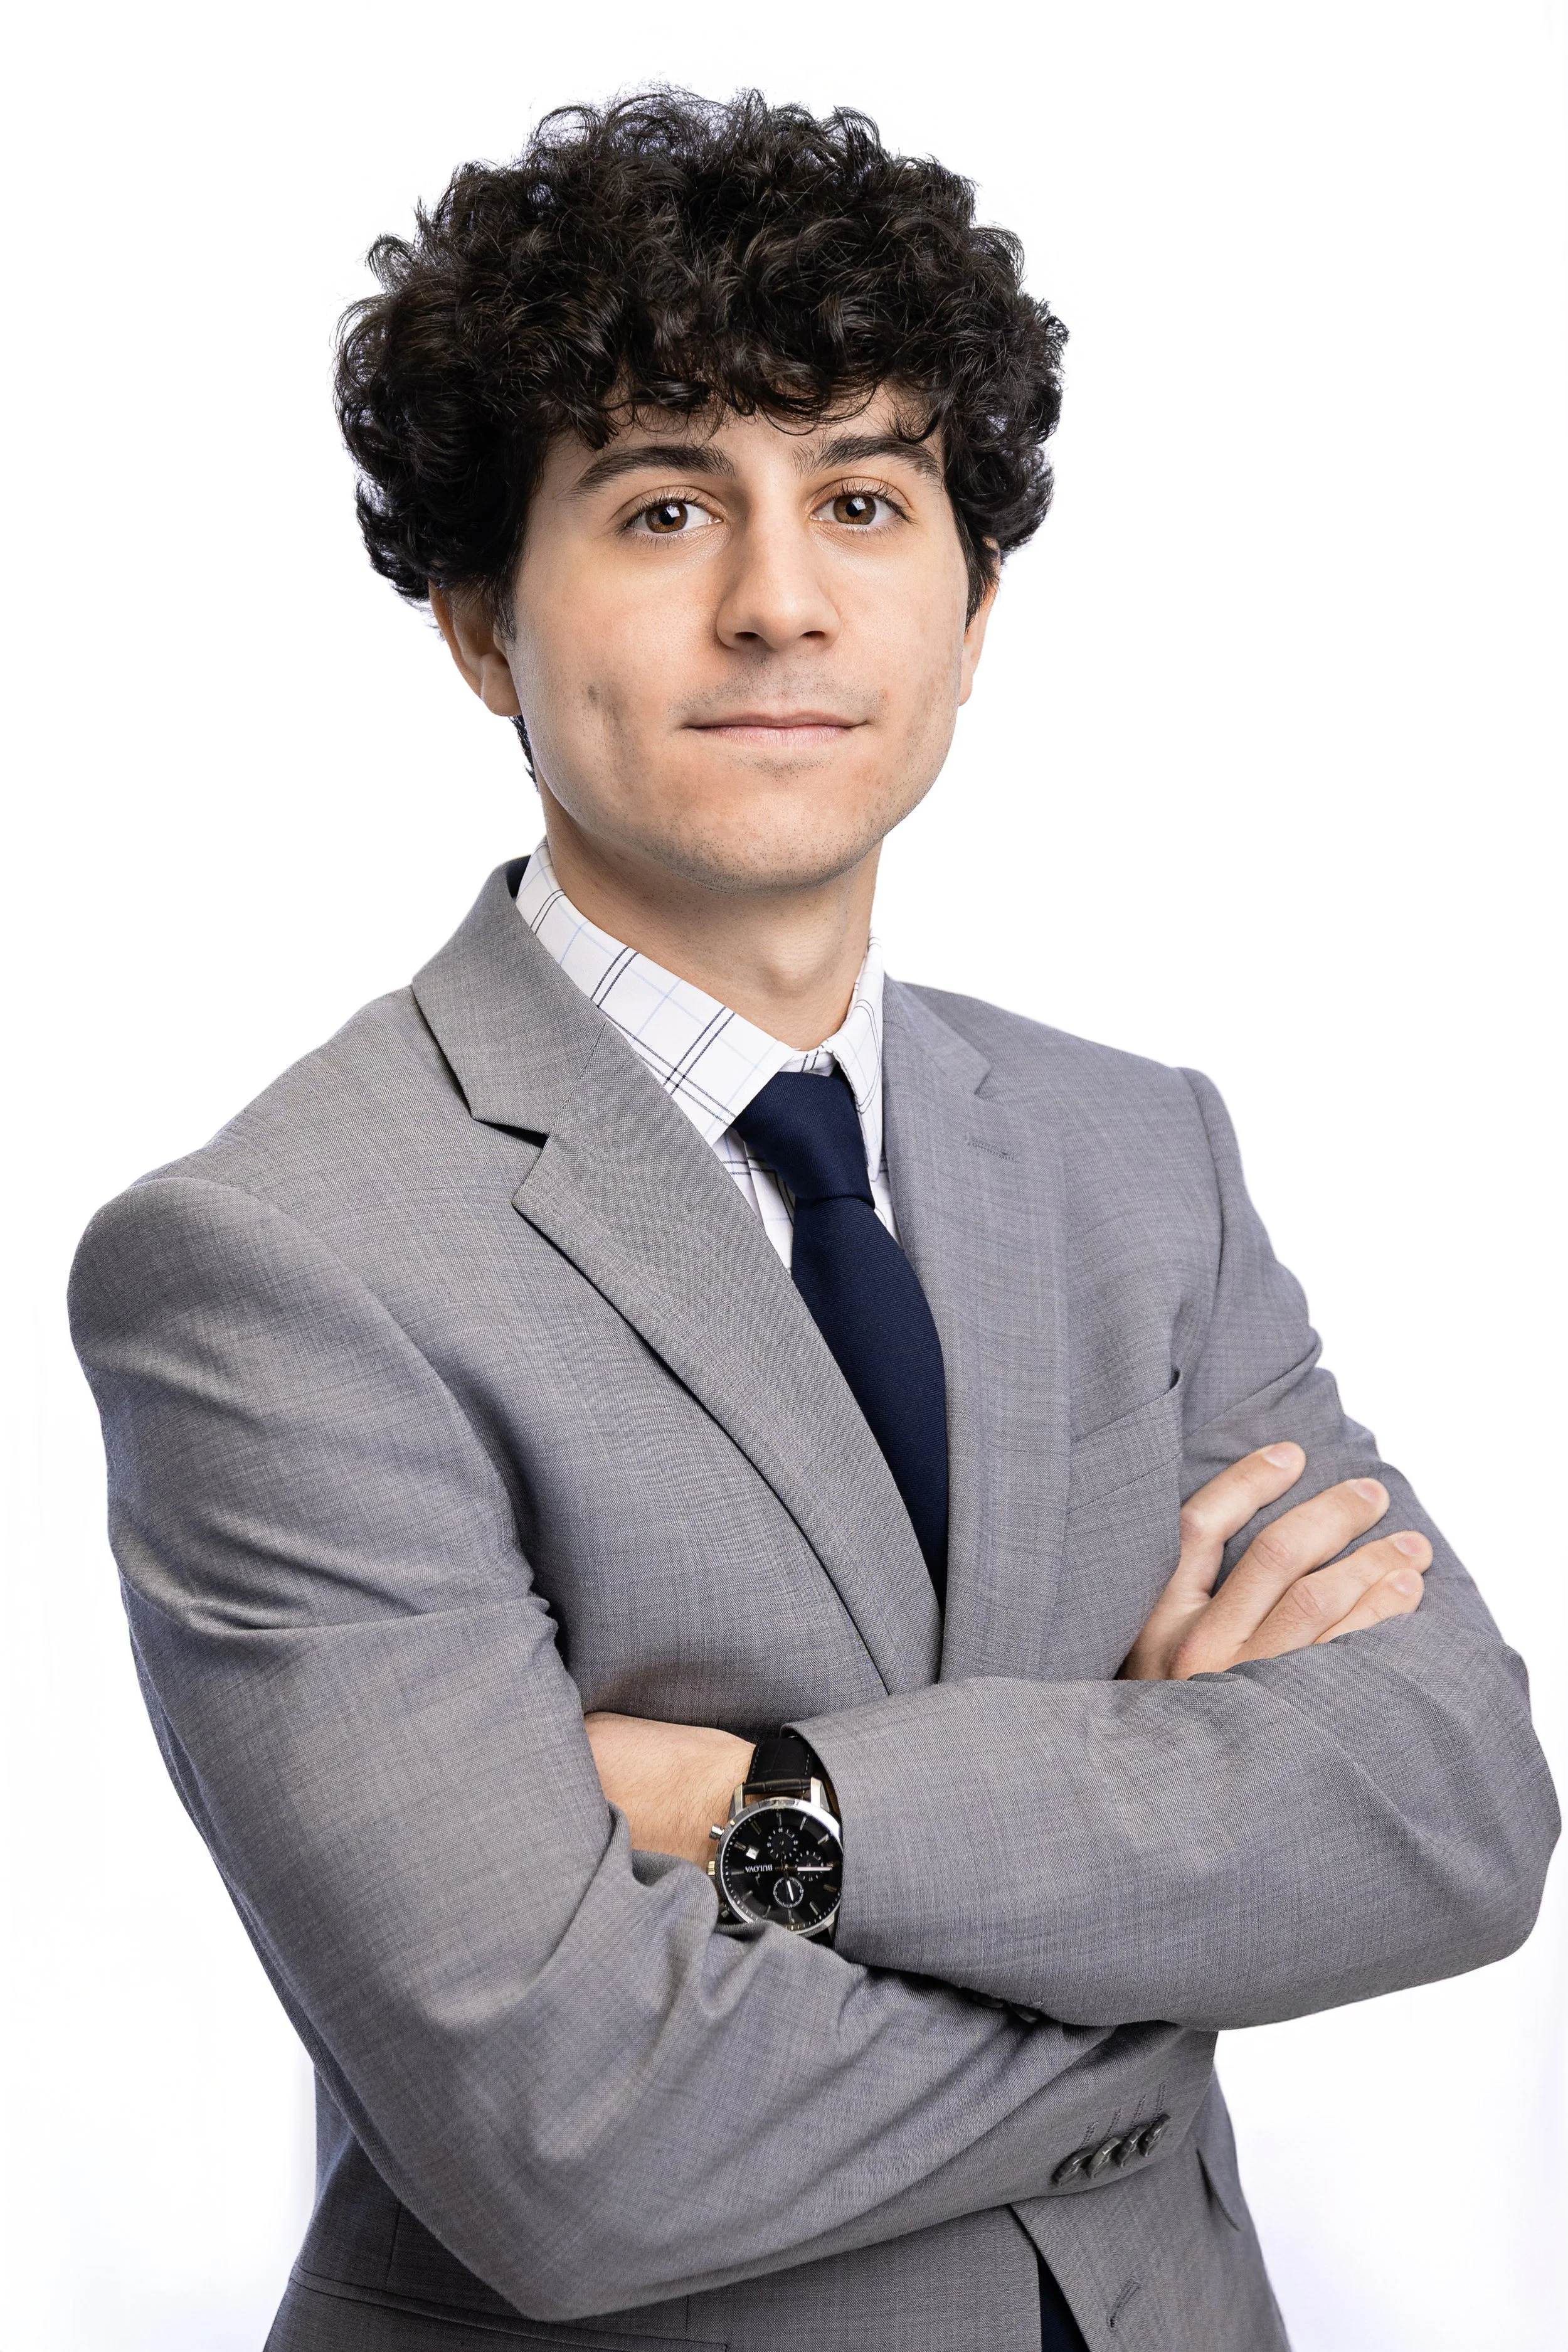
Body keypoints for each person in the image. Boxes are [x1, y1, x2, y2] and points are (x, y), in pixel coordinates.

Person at [68, 92, 1556, 2352]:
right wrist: (1187, 1927)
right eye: (664, 507)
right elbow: (577, 2148)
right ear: (477, 621)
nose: (777, 600)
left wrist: (777, 1809)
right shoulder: (279, 1262)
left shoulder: (1136, 1153)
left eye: (862, 499)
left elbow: (1450, 1812)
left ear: (971, 607)